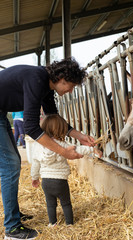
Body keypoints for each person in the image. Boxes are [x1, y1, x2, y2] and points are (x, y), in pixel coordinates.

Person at [0, 57, 95, 240]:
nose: (70, 91)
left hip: (1, 112)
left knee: (13, 163)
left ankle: (14, 214)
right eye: (71, 86)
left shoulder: (45, 85)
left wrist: (80, 136)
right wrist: (64, 151)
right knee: (10, 166)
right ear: (62, 79)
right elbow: (31, 127)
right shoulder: (37, 80)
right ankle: (12, 229)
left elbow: (54, 120)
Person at [31, 114, 102, 226]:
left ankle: (52, 223)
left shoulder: (38, 146)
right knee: (66, 203)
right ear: (60, 130)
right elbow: (79, 149)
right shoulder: (62, 145)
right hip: (60, 181)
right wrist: (93, 150)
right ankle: (69, 224)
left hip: (46, 182)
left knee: (50, 203)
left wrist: (34, 177)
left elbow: (35, 163)